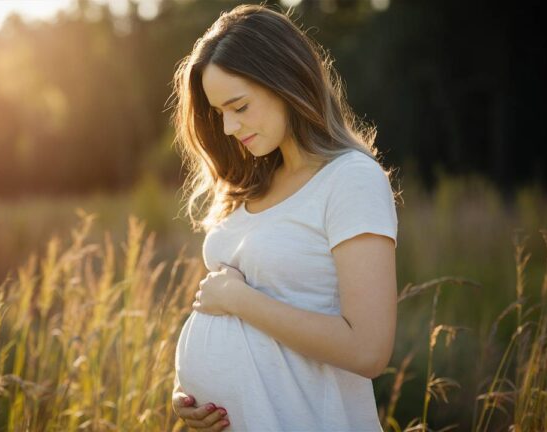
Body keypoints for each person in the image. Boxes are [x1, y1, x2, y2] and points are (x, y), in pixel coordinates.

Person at [168, 3, 401, 431]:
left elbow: (368, 350)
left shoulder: (351, 180)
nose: (228, 128)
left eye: (239, 106)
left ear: (286, 83)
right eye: (219, 112)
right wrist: (188, 394)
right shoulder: (250, 182)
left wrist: (238, 300)